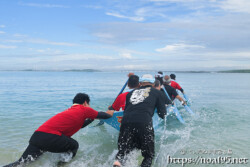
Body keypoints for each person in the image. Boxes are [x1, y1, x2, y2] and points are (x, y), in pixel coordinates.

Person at [4, 93, 115, 167]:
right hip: (50, 137)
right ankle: (60, 165)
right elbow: (105, 115)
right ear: (86, 102)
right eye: (88, 104)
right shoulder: (84, 109)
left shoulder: (70, 111)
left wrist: (92, 119)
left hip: (37, 136)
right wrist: (111, 110)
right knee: (74, 145)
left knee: (21, 163)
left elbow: (80, 125)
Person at [113, 74, 166, 167]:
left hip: (125, 123)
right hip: (143, 122)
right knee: (148, 156)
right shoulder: (157, 92)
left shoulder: (130, 93)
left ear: (140, 83)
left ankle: (117, 163)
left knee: (123, 153)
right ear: (153, 83)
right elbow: (163, 114)